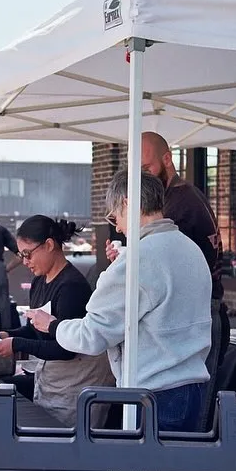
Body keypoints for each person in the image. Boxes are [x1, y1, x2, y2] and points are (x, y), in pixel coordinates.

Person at [28, 171, 213, 432]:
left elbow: (91, 337)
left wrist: (52, 326)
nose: (117, 227)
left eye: (114, 216)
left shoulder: (138, 261)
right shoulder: (189, 248)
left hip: (153, 396)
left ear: (127, 203)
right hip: (193, 390)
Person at [106, 131, 230, 432]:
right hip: (192, 312)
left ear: (167, 159)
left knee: (183, 430)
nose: (140, 180)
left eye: (146, 169)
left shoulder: (179, 203)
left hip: (196, 314)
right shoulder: (178, 197)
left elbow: (167, 262)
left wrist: (129, 260)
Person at [0, 215, 114, 427]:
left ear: (48, 245)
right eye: (21, 256)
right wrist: (8, 335)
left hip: (75, 385)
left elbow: (66, 349)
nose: (25, 262)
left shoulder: (71, 287)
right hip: (51, 380)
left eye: (28, 254)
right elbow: (35, 330)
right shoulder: (39, 280)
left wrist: (17, 345)